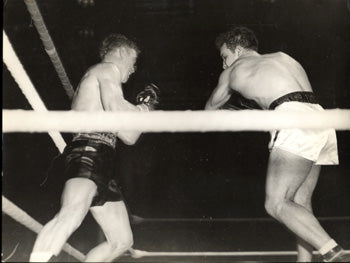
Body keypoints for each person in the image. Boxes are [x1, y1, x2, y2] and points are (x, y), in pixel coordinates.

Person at [205, 26, 348, 262]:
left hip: (293, 120)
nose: (223, 65)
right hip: (320, 119)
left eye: (224, 57)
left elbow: (209, 109)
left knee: (276, 203)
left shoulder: (234, 71)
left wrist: (235, 108)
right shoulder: (284, 58)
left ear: (238, 50)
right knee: (299, 202)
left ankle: (334, 253)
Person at [30, 33, 159, 262]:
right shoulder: (106, 70)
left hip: (104, 160)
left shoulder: (108, 84)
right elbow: (117, 110)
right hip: (89, 151)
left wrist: (143, 110)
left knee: (121, 240)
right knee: (71, 214)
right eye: (133, 61)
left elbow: (130, 136)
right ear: (120, 52)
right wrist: (144, 108)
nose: (133, 69)